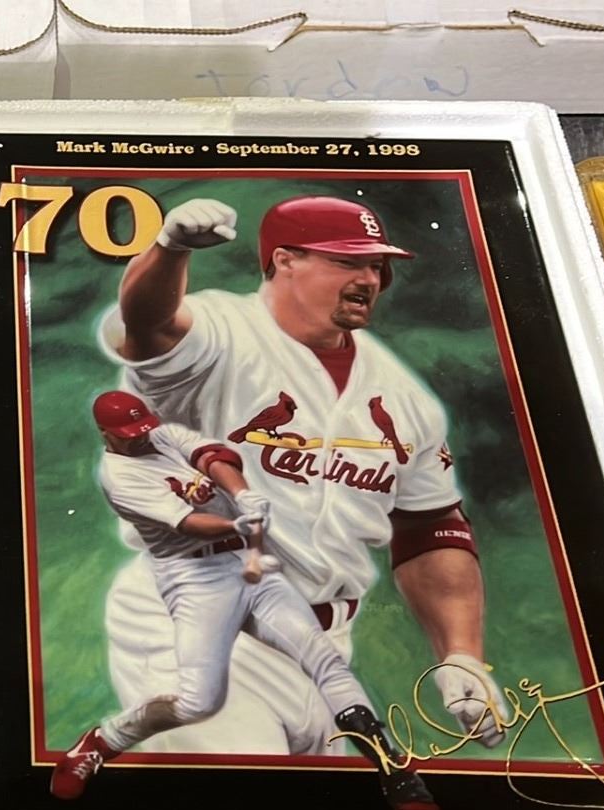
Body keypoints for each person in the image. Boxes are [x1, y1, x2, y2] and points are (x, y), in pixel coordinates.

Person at [98, 194, 510, 756]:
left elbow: (429, 526)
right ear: (284, 260)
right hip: (196, 616)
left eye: (376, 265)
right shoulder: (220, 332)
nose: (369, 278)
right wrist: (170, 250)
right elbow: (147, 323)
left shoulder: (404, 396)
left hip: (323, 645)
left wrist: (461, 654)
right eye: (346, 261)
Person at [50, 392, 438, 810]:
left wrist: (243, 494)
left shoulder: (162, 436)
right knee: (199, 703)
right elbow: (190, 524)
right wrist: (235, 522)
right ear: (105, 434)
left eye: (143, 427)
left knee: (322, 658)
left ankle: (392, 768)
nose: (141, 437)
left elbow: (212, 457)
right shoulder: (119, 476)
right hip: (194, 578)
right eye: (129, 434)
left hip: (244, 562)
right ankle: (104, 740)